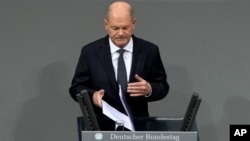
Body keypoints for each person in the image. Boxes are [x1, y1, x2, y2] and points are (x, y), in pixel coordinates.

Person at [69, 1, 169, 130]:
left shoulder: (149, 51)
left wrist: (149, 89)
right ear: (106, 24)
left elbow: (162, 86)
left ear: (133, 23)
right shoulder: (90, 52)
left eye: (125, 28)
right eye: (115, 28)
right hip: (101, 127)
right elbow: (76, 88)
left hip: (138, 127)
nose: (120, 33)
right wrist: (92, 96)